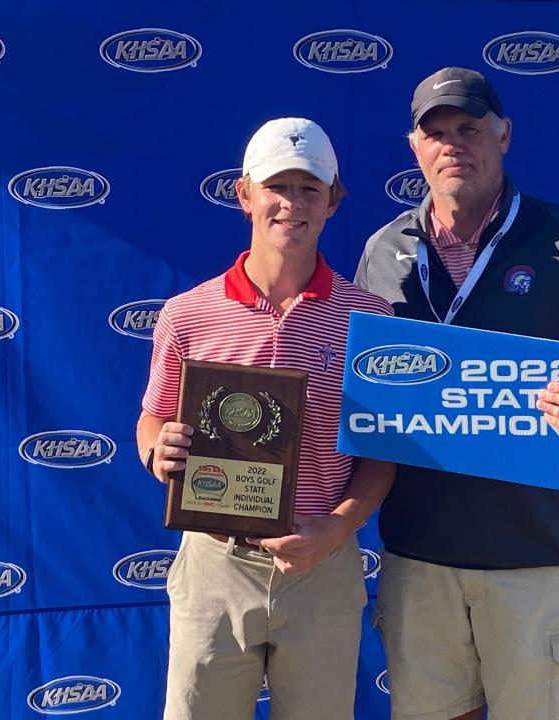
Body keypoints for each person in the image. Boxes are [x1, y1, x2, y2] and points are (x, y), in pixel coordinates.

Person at [354, 67, 559, 720]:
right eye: (435, 133)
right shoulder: (383, 252)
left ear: (504, 135)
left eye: (469, 129)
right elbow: (357, 398)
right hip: (420, 561)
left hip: (533, 563)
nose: (452, 144)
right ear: (415, 147)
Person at [137, 117, 395, 720]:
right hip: (215, 563)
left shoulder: (369, 317)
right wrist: (158, 451)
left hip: (323, 565)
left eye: (310, 189)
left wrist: (334, 531)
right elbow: (150, 421)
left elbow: (381, 456)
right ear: (245, 194)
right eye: (277, 186)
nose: (292, 204)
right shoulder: (187, 314)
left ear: (333, 201)